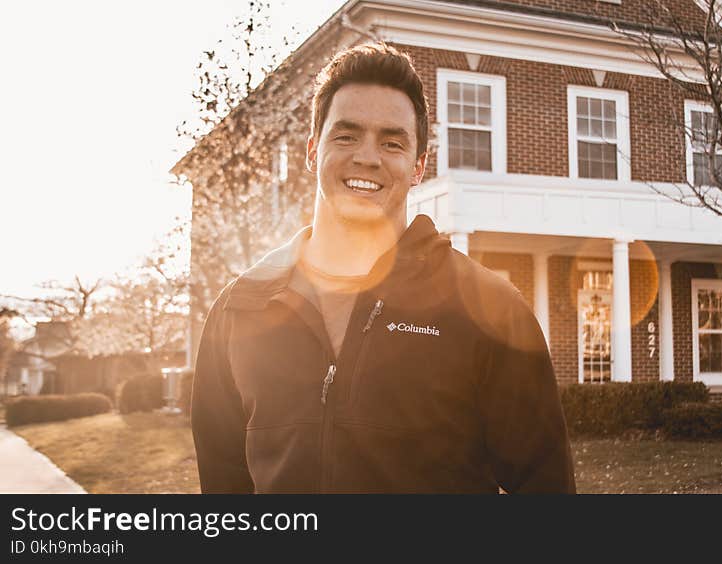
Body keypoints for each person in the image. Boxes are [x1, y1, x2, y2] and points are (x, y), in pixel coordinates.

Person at [191, 43, 575, 493]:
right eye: (346, 136)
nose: (368, 157)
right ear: (313, 151)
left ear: (418, 166)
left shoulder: (491, 310)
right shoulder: (241, 308)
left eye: (392, 142)